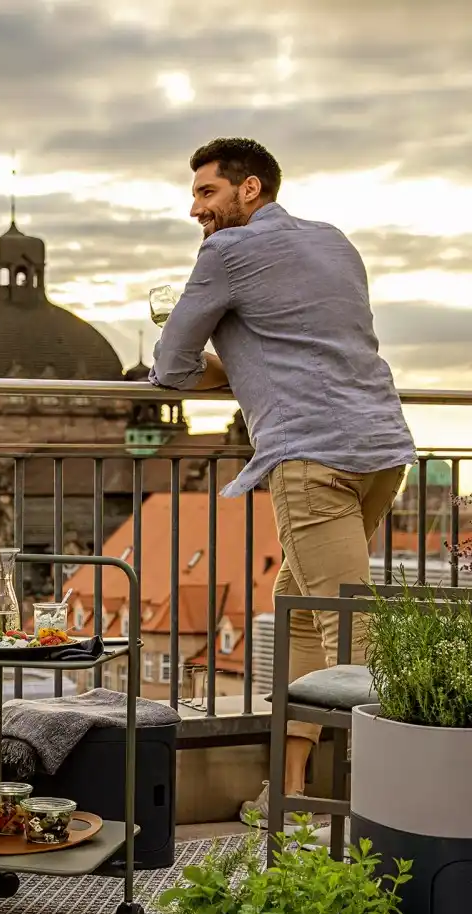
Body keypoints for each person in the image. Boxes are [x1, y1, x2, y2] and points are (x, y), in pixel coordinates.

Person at [150, 136, 416, 825]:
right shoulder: (334, 242)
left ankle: (383, 809)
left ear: (250, 189)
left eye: (207, 193)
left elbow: (173, 363)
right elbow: (316, 339)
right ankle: (285, 792)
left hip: (313, 459)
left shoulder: (226, 254)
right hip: (382, 449)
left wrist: (222, 363)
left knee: (349, 634)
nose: (195, 210)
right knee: (298, 607)